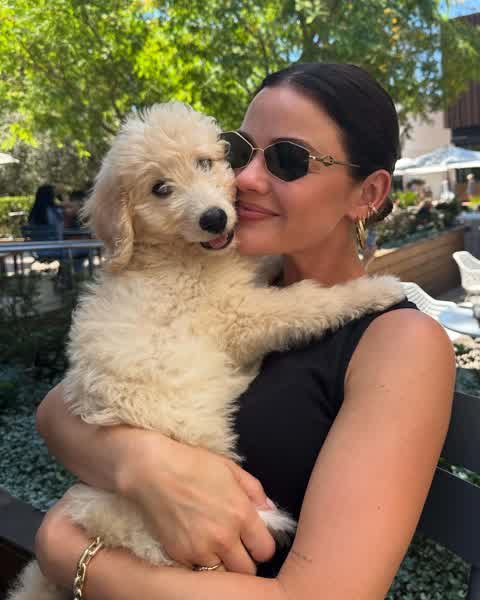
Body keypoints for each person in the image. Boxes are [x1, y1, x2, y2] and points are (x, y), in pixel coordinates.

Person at [33, 63, 455, 600]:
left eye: (288, 159)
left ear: (366, 194)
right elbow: (57, 410)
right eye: (239, 151)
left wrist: (68, 553)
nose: (247, 178)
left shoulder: (400, 343)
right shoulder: (219, 279)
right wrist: (145, 464)